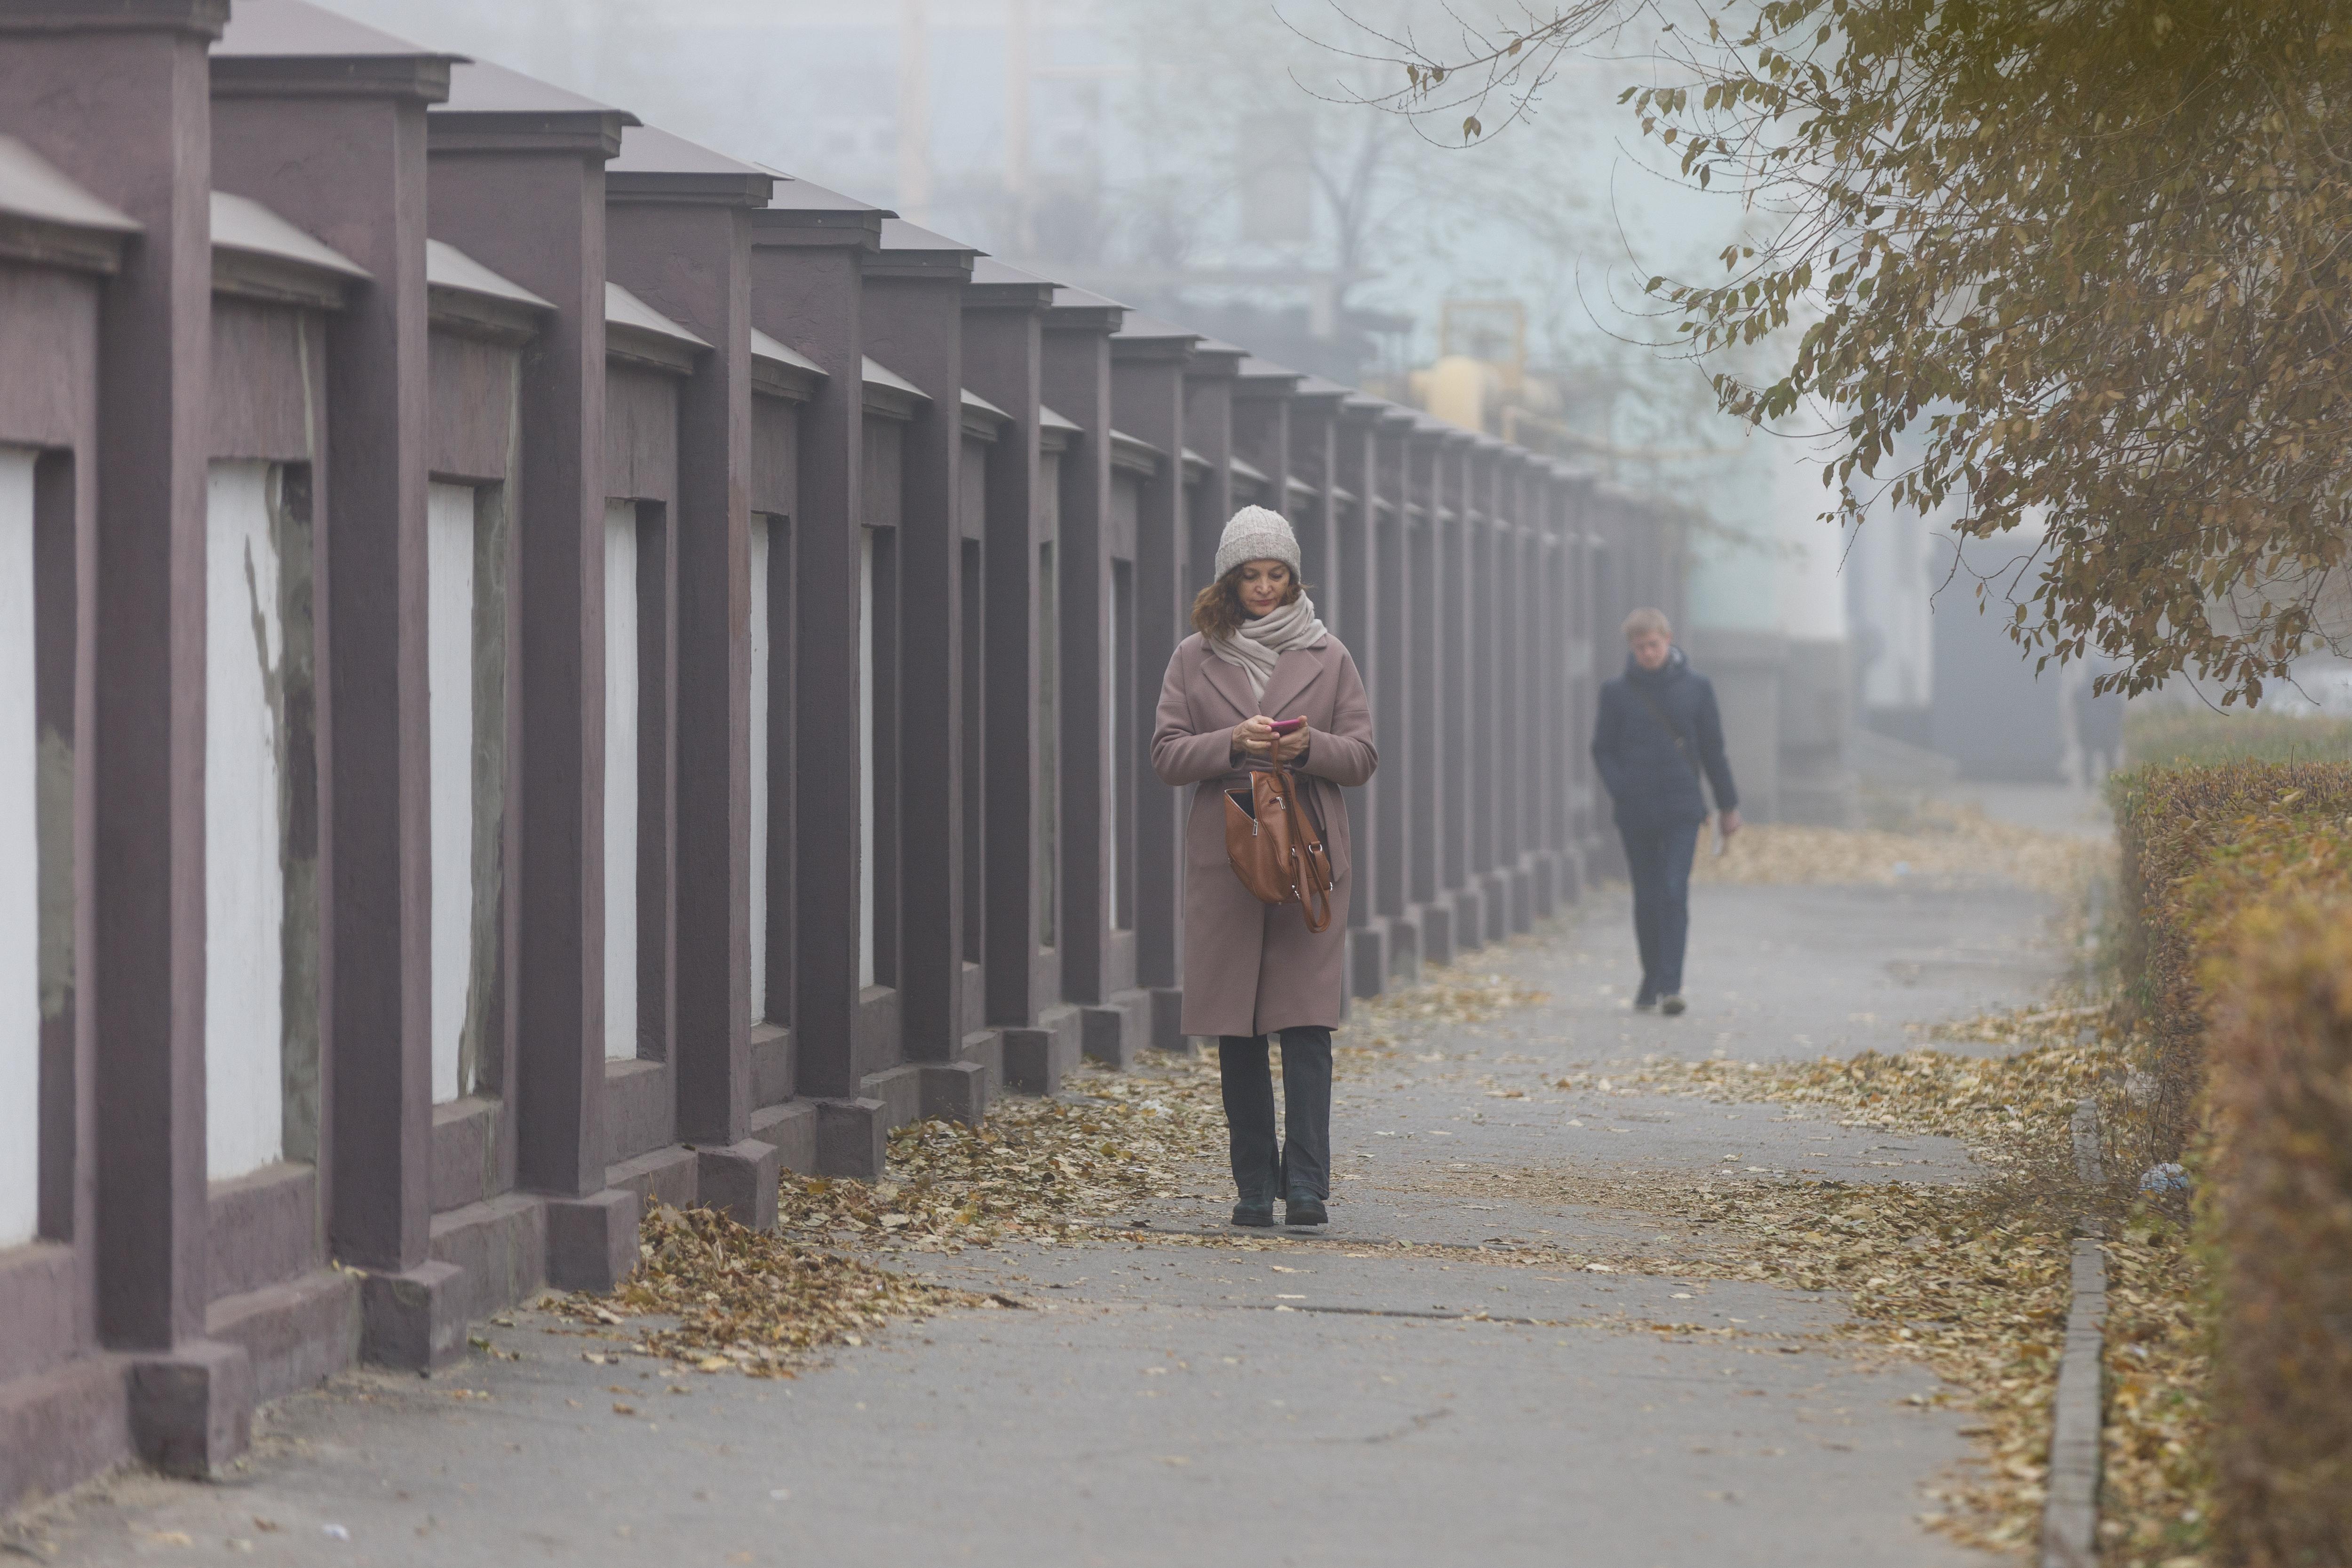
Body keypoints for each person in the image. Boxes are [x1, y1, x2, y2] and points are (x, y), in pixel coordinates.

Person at [1151, 506, 1377, 1229]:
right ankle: (1253, 1185)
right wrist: (1231, 742)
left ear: (1294, 576)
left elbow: (1364, 756)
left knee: (1306, 1026)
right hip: (1227, 863)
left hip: (1308, 861)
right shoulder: (1194, 656)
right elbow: (1166, 755)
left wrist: (1309, 747)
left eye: (1277, 574)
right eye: (1251, 575)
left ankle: (1307, 1185)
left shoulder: (1329, 654)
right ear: (1229, 580)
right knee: (1238, 1030)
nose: (1265, 588)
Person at [1589, 607, 1740, 1016]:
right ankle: (1650, 977)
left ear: (1668, 640)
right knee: (1646, 895)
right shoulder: (1616, 693)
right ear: (1632, 649)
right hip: (1636, 811)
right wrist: (1621, 787)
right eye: (1640, 647)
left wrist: (1728, 806)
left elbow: (1713, 750)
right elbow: (1602, 748)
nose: (1648, 653)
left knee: (1674, 890)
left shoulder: (1696, 688)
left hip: (1681, 808)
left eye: (1653, 645)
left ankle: (1671, 984)